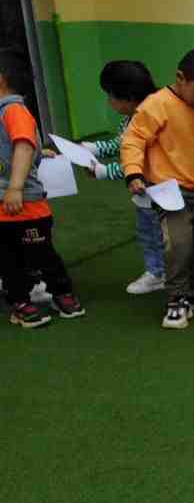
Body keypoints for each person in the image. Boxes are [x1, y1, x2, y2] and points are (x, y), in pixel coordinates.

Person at [120, 45, 194, 329]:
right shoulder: (157, 105)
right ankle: (177, 299)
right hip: (172, 195)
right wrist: (133, 173)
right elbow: (133, 140)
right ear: (181, 78)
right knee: (179, 247)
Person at [0, 49, 83, 328]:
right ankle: (21, 302)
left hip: (25, 204)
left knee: (41, 253)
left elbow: (23, 145)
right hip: (4, 206)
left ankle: (61, 293)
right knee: (9, 259)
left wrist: (15, 187)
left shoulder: (12, 110)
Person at [85, 60, 166, 294]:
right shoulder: (132, 118)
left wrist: (103, 171)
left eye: (111, 96)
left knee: (160, 236)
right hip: (144, 195)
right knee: (148, 233)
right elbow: (122, 144)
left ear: (129, 97)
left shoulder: (149, 120)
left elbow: (138, 164)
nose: (108, 101)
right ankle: (158, 272)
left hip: (158, 192)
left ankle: (161, 273)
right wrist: (95, 148)